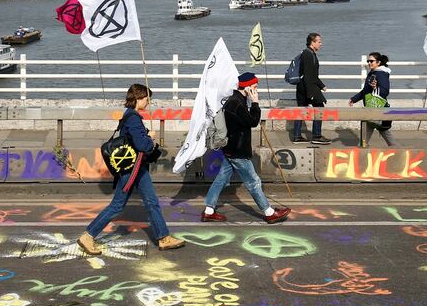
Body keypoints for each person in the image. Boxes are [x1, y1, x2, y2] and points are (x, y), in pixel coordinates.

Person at [78, 84, 186, 254]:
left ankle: (163, 238)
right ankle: (88, 236)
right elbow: (142, 145)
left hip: (136, 168)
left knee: (151, 202)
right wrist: (149, 138)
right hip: (132, 169)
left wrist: (144, 134)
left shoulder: (128, 115)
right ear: (138, 98)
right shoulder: (134, 118)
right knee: (117, 206)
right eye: (146, 99)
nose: (148, 103)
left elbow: (132, 138)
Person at [201, 73, 291, 224]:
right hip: (238, 151)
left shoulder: (236, 100)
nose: (256, 91)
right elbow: (253, 121)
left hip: (230, 149)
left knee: (221, 180)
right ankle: (269, 213)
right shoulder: (236, 104)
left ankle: (209, 211)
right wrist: (255, 103)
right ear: (247, 87)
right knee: (253, 182)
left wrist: (251, 102)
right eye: (255, 87)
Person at [292, 32, 332, 145]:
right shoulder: (308, 54)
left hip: (304, 86)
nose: (321, 44)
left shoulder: (309, 53)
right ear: (312, 42)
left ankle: (297, 136)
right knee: (319, 108)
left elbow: (312, 75)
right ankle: (317, 136)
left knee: (301, 110)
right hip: (307, 87)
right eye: (319, 41)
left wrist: (322, 85)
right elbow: (309, 76)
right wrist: (311, 94)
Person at [349, 52, 395, 146]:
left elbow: (385, 92)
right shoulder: (373, 73)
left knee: (386, 136)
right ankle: (362, 153)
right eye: (368, 61)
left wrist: (375, 88)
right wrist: (354, 99)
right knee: (364, 141)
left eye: (371, 61)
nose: (369, 63)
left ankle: (400, 154)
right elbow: (365, 91)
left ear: (378, 62)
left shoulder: (381, 74)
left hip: (378, 110)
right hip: (371, 109)